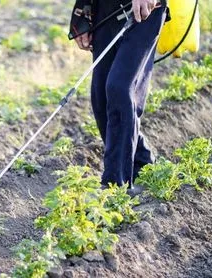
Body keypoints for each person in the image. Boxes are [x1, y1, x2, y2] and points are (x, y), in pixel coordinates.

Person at [69, 0, 168, 193]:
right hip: (104, 10)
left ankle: (116, 186)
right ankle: (143, 162)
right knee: (101, 98)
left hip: (144, 10)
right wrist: (82, 14)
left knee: (120, 89)